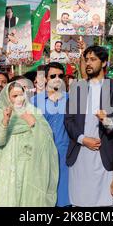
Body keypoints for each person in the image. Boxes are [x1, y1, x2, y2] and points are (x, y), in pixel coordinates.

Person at [64, 46, 113, 207]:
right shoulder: (77, 88)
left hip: (104, 155)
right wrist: (82, 139)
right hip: (80, 154)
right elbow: (68, 120)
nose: (88, 63)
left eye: (93, 60)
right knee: (79, 203)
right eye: (86, 60)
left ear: (104, 62)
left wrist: (106, 120)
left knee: (104, 204)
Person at [0, 82, 59, 206]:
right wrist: (5, 121)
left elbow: (47, 138)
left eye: (21, 95)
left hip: (30, 168)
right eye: (14, 96)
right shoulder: (0, 113)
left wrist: (32, 123)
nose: (19, 99)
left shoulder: (33, 111)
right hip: (9, 169)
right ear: (7, 97)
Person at [31, 62, 71, 207]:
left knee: (63, 200)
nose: (57, 79)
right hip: (42, 157)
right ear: (46, 78)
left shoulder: (71, 100)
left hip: (65, 157)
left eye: (60, 76)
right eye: (53, 76)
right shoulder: (34, 102)